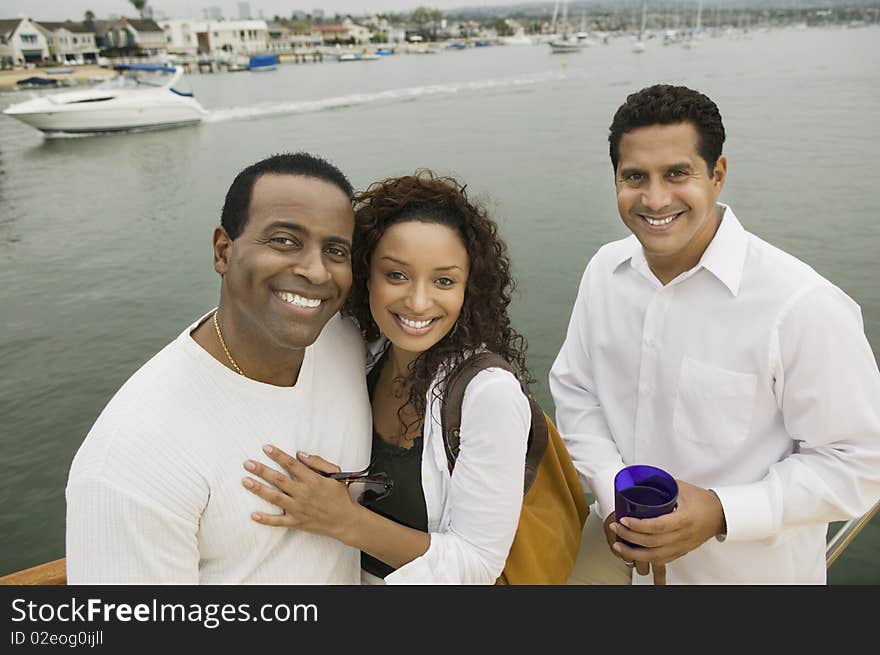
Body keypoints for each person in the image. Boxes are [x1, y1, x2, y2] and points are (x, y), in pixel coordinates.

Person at [549, 84, 880, 585]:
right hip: (617, 554)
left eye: (677, 174)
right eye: (635, 176)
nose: (655, 198)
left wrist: (721, 511)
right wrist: (612, 484)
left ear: (717, 174)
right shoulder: (604, 272)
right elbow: (576, 391)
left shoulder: (801, 305)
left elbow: (861, 462)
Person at [65, 152, 371, 583]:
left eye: (335, 250)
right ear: (223, 251)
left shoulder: (346, 339)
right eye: (284, 240)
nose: (316, 271)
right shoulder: (134, 456)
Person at [239, 169, 533, 584]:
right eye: (396, 275)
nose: (417, 301)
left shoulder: (489, 396)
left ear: (469, 290)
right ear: (365, 273)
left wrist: (344, 519)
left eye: (444, 281)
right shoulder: (359, 357)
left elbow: (478, 564)